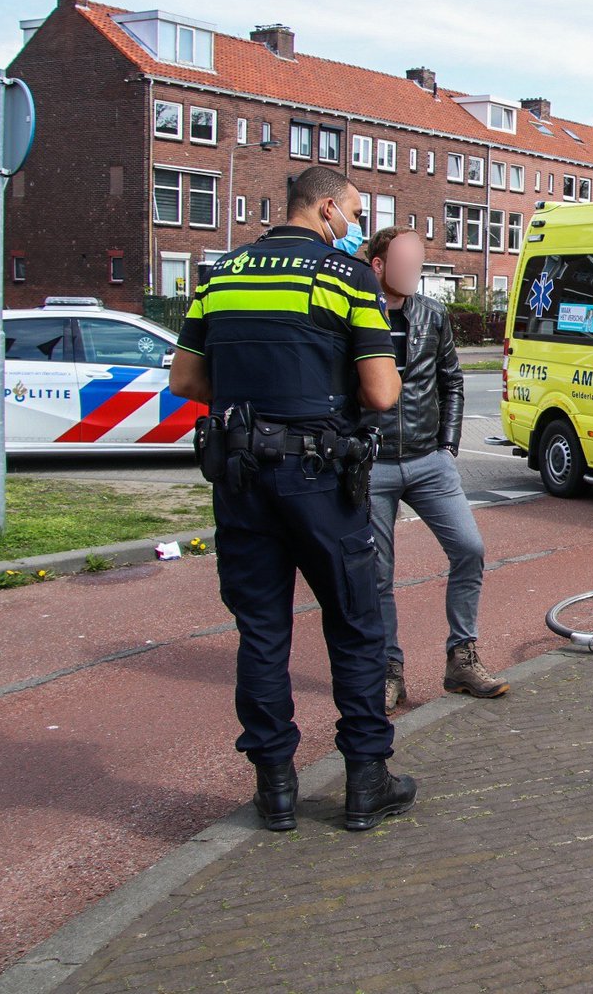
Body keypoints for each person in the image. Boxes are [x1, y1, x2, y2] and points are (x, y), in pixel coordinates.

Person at [169, 165, 417, 833]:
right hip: (318, 477)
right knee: (355, 624)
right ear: (329, 208)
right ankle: (367, 779)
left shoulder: (220, 276)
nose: (355, 225)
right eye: (354, 213)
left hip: (240, 478)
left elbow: (187, 378)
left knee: (262, 631)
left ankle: (274, 787)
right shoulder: (346, 278)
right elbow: (382, 394)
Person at [360, 226, 507, 713]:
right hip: (374, 463)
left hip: (429, 460)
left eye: (419, 261)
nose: (414, 270)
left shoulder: (433, 313)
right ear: (379, 265)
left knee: (469, 549)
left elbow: (453, 382)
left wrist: (448, 445)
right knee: (378, 574)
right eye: (405, 260)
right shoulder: (355, 313)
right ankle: (389, 671)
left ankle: (461, 659)